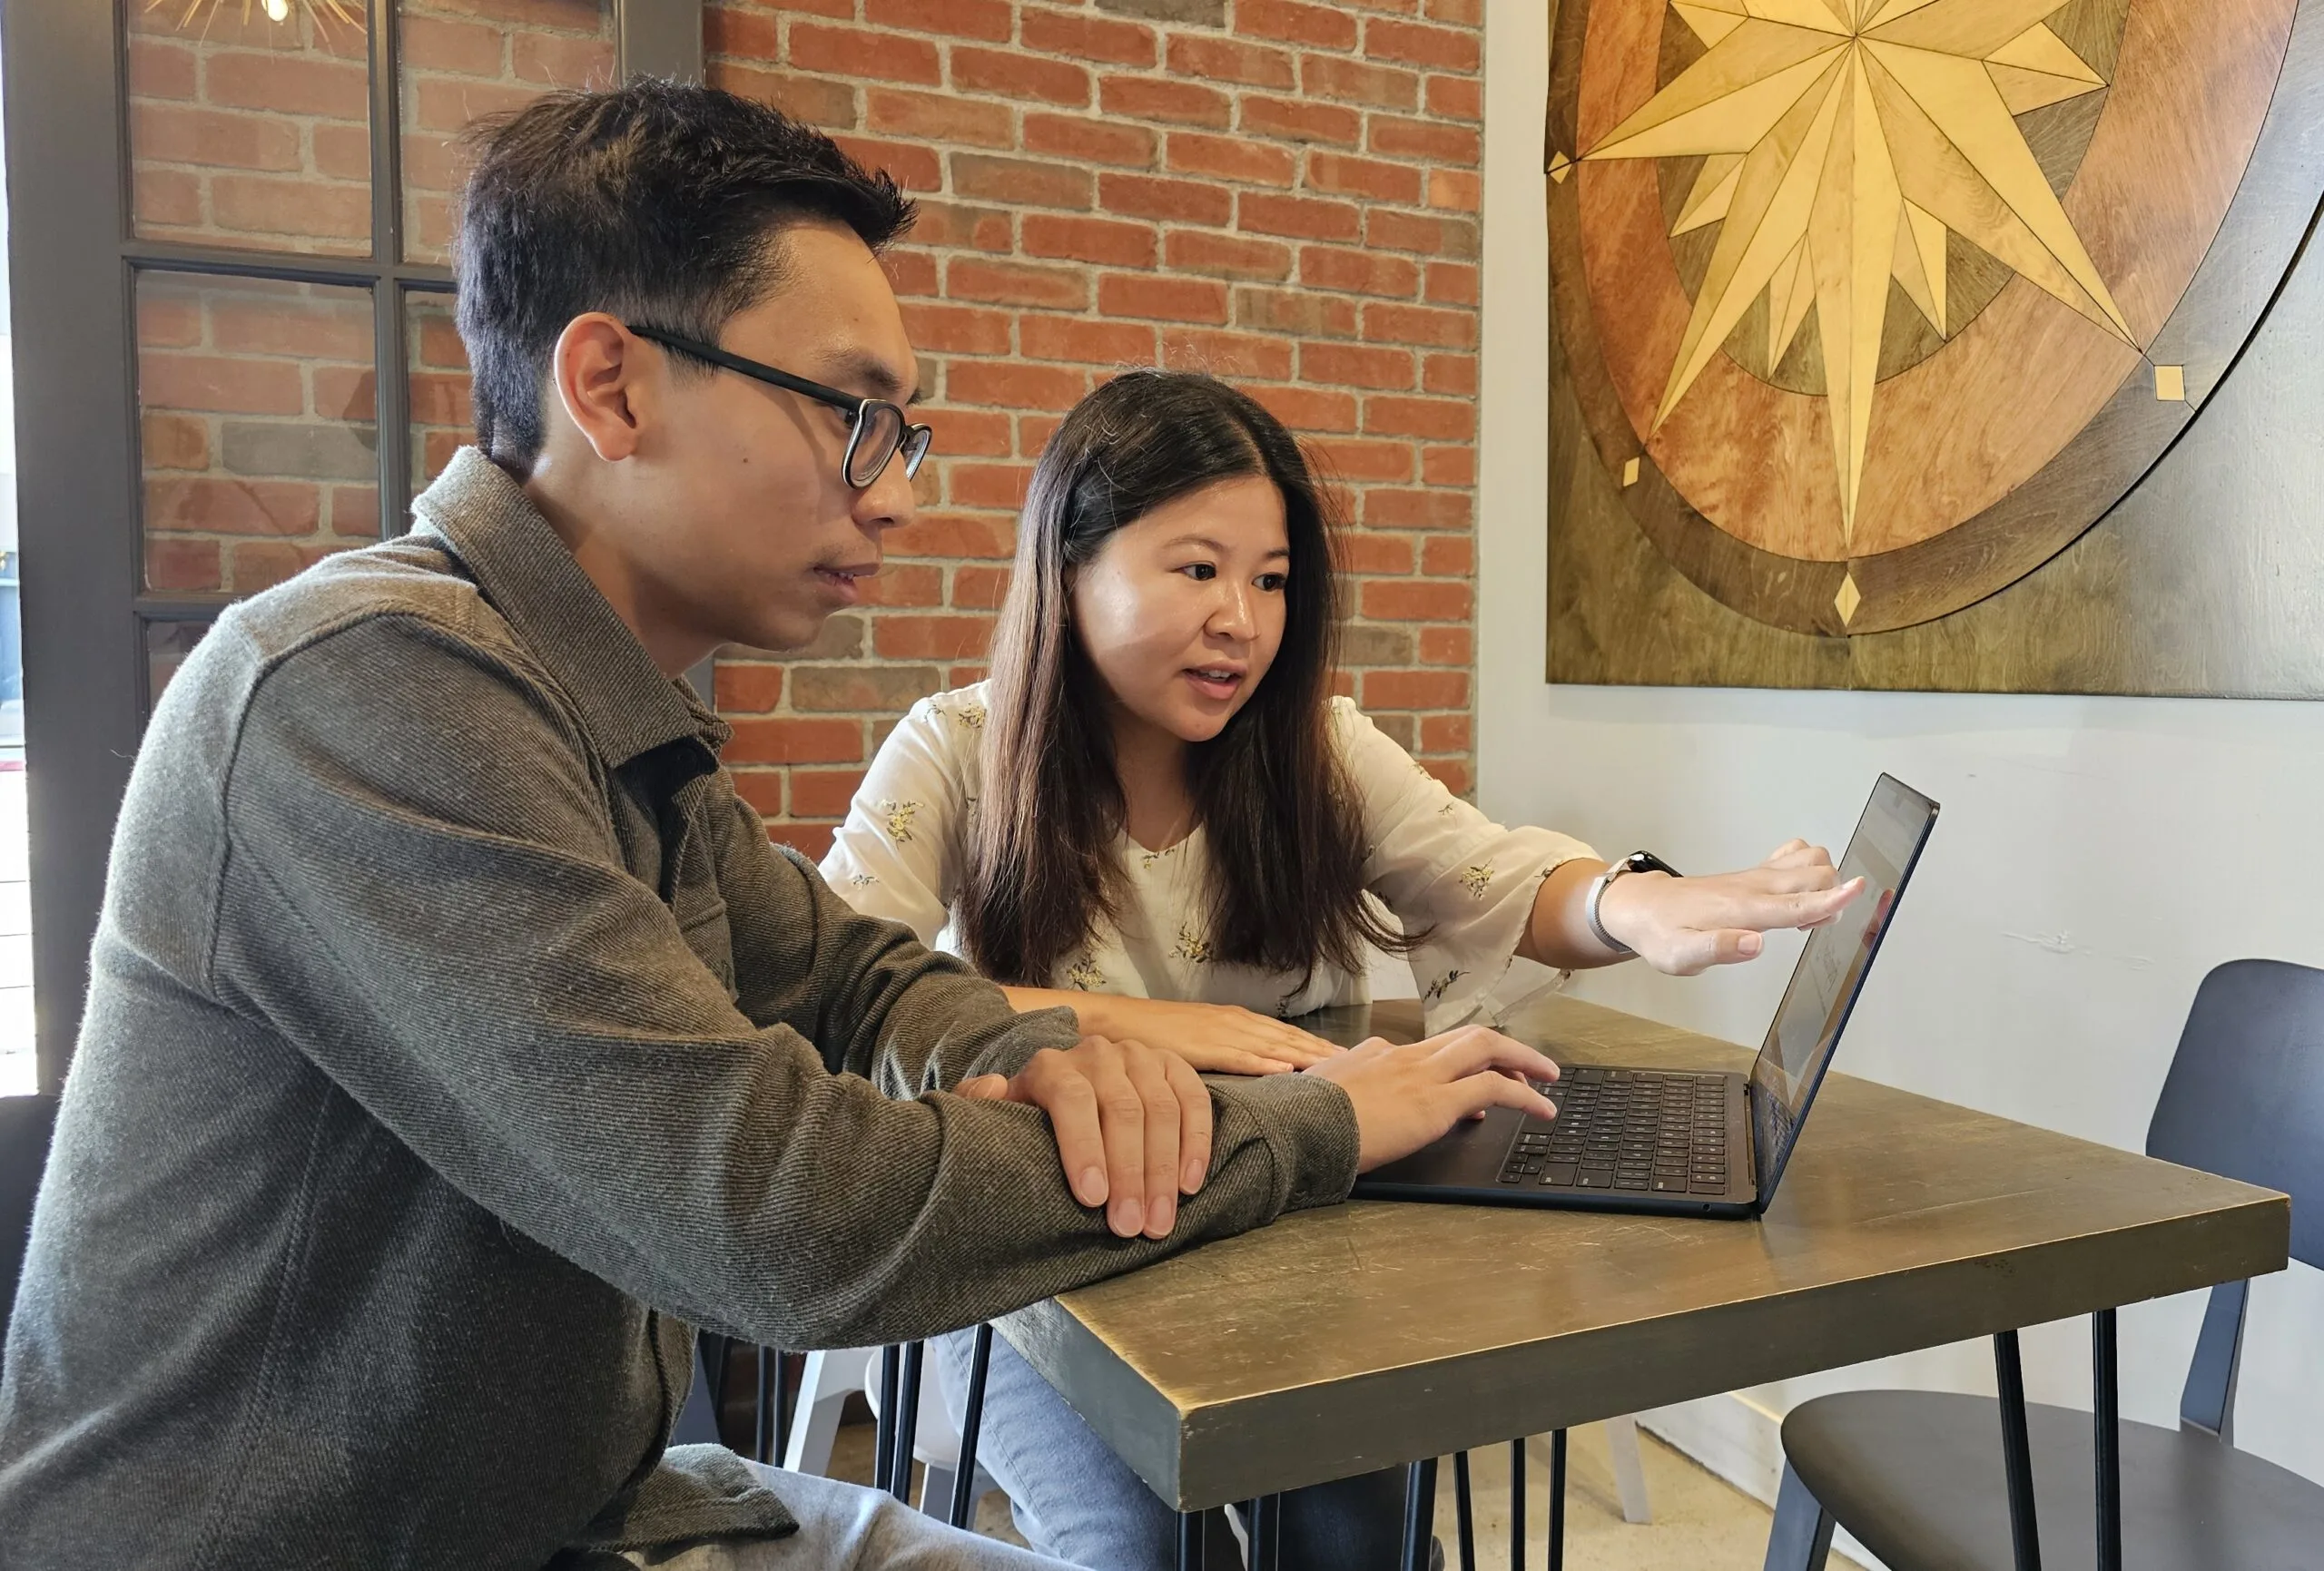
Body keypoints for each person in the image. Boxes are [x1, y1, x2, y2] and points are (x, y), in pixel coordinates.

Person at [0, 87, 1578, 1571]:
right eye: (852, 415)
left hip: (588, 1505)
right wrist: (1315, 1124)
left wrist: (1028, 1046)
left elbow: (850, 968)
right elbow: (783, 1212)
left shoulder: (614, 717)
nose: (895, 495)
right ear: (612, 387)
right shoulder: (374, 685)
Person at [822, 370, 1860, 1570]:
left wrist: (1634, 902)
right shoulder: (955, 751)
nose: (1243, 620)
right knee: (1140, 1547)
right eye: (1198, 569)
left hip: (1289, 1241)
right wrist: (1141, 1027)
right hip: (1036, 1272)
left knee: (1360, 1536)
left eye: (1271, 580)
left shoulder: (1315, 749)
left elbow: (1488, 872)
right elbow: (840, 989)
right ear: (1069, 564)